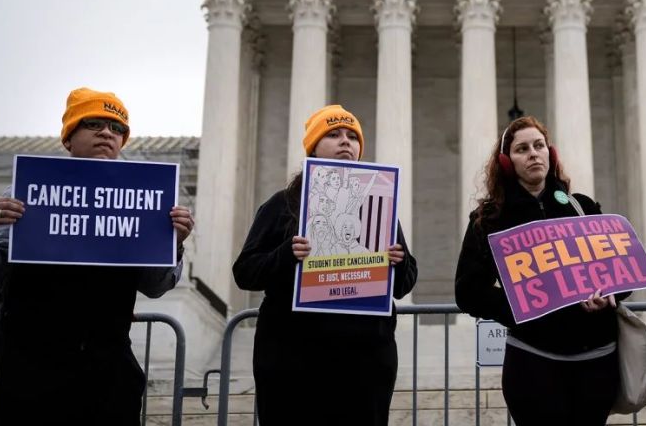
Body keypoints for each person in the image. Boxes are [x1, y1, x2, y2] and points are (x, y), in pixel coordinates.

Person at [0, 87, 194, 425]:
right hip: (32, 369)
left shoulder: (143, 201)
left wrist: (173, 244)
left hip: (109, 371)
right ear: (68, 139)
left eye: (117, 128)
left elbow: (155, 286)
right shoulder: (24, 192)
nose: (107, 133)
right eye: (93, 123)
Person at [233, 104, 418, 425]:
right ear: (314, 146)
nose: (346, 141)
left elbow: (403, 285)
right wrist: (286, 255)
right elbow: (245, 271)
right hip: (293, 359)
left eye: (352, 136)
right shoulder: (282, 204)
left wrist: (399, 262)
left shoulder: (379, 205)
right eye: (333, 134)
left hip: (365, 359)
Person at [455, 116, 623, 425]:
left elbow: (620, 274)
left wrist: (608, 295)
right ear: (507, 163)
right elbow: (468, 291)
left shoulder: (582, 208)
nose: (533, 153)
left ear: (551, 153)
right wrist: (522, 307)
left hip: (595, 363)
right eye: (522, 149)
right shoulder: (489, 219)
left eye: (539, 145)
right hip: (533, 363)